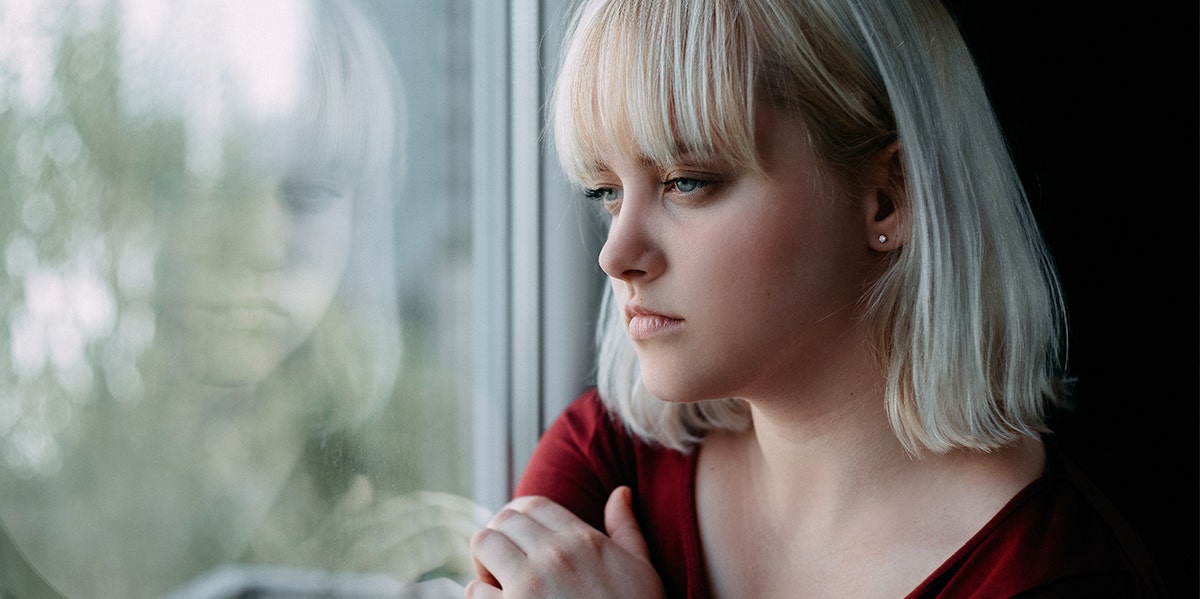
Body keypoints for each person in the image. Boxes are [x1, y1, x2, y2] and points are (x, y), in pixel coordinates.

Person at [467, 0, 1168, 597]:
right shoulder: (609, 456)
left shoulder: (1050, 574)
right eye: (607, 192)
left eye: (688, 180)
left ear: (888, 198)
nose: (614, 254)